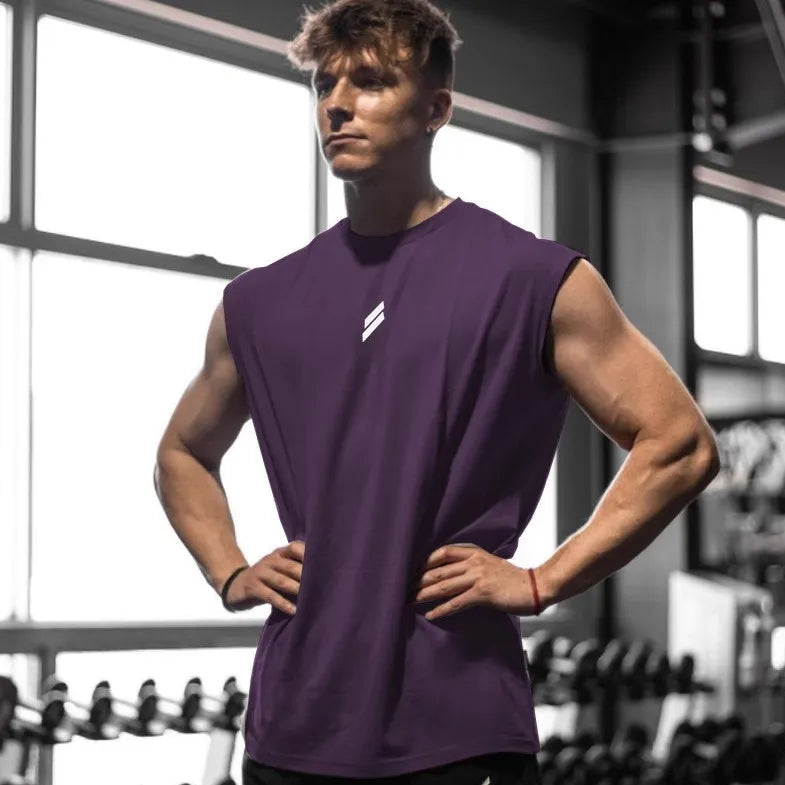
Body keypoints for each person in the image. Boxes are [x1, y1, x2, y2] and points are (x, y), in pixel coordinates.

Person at [153, 1, 721, 783]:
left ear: (437, 109)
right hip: (292, 725)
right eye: (324, 85)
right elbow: (182, 451)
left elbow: (680, 444)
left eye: (373, 81)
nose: (337, 104)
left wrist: (542, 580)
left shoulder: (532, 279)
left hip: (456, 723)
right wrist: (231, 568)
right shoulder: (257, 301)